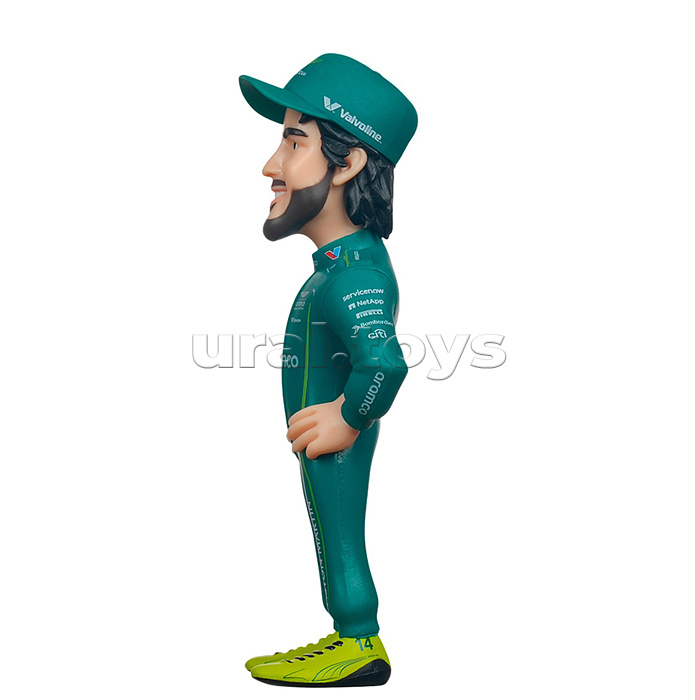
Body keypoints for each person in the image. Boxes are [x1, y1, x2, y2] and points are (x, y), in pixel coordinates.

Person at [238, 53, 417, 687]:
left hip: (333, 439)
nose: (271, 166)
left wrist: (347, 417)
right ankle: (350, 635)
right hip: (324, 437)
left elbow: (385, 364)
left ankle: (359, 641)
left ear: (348, 164)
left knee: (337, 530)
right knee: (330, 527)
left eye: (294, 142)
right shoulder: (342, 267)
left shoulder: (352, 276)